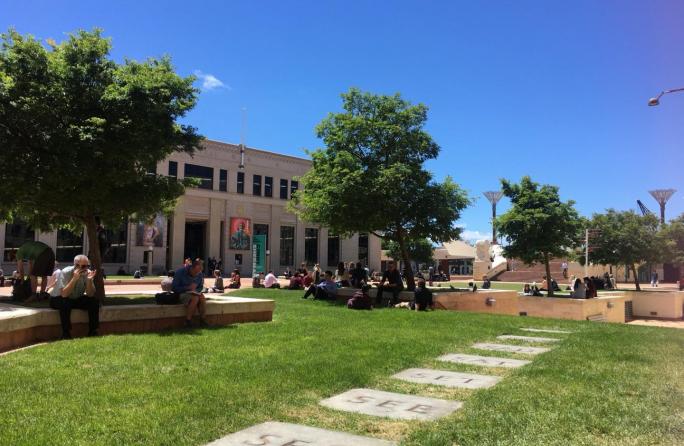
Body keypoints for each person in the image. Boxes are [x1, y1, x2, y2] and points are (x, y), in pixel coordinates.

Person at [49, 255, 99, 339]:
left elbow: (90, 294)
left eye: (87, 266)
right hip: (57, 298)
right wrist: (74, 279)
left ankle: (93, 331)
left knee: (93, 302)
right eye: (83, 266)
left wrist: (89, 280)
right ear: (76, 265)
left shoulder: (87, 272)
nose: (85, 268)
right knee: (65, 303)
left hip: (74, 298)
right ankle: (66, 333)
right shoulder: (66, 272)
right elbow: (64, 294)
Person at [171, 258, 209, 328]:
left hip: (194, 293)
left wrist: (196, 291)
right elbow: (174, 288)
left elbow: (200, 287)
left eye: (198, 273)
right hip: (181, 293)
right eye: (195, 272)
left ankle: (202, 320)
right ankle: (187, 321)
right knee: (195, 298)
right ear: (191, 268)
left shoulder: (199, 274)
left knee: (202, 297)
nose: (196, 275)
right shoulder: (180, 272)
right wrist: (187, 288)